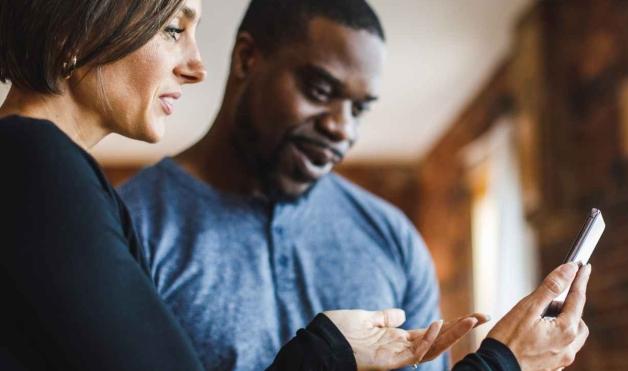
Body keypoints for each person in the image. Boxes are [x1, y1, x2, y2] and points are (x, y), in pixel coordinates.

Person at [118, 1, 590, 371]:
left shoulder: (393, 239)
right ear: (247, 58)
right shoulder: (128, 226)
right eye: (320, 91)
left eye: (359, 108)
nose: (342, 128)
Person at [0, 0, 462, 370]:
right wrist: (329, 351)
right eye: (173, 30)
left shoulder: (394, 237)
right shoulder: (35, 164)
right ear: (75, 32)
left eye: (359, 109)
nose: (197, 67)